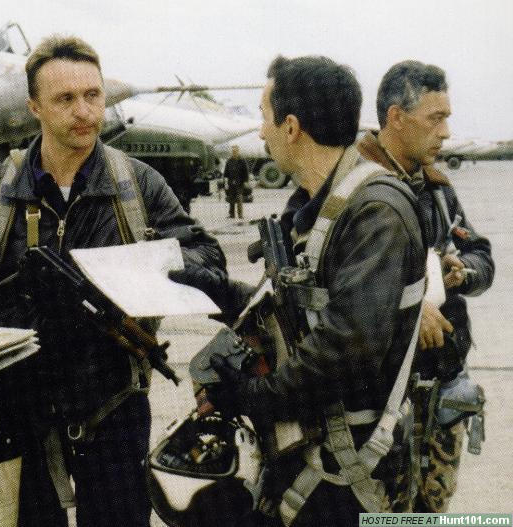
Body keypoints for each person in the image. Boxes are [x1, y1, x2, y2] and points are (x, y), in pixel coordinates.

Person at [0, 35, 228, 527]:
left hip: (112, 409)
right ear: (34, 107)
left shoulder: (138, 186)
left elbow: (207, 258)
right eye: (65, 99)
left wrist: (135, 272)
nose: (84, 112)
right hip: (16, 411)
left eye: (93, 95)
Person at [205, 55, 427, 526]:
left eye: (264, 118)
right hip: (313, 460)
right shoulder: (315, 207)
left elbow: (348, 344)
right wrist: (221, 291)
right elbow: (303, 308)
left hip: (352, 472)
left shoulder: (376, 212)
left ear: (290, 127)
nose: (260, 132)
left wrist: (254, 396)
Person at [357, 60, 494, 512]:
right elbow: (338, 286)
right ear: (396, 117)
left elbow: (481, 255)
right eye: (436, 119)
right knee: (379, 513)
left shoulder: (436, 190)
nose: (446, 132)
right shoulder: (354, 186)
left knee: (430, 510)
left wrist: (462, 271)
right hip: (380, 404)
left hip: (440, 387)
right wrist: (410, 307)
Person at [224, 145, 249, 219]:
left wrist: (245, 181)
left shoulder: (242, 160)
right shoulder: (229, 161)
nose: (234, 152)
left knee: (239, 198)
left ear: (238, 151)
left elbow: (246, 171)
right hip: (231, 182)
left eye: (235, 151)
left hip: (240, 182)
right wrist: (225, 182)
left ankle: (240, 215)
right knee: (231, 199)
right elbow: (226, 172)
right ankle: (231, 214)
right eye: (233, 151)